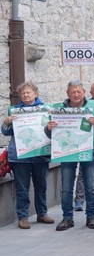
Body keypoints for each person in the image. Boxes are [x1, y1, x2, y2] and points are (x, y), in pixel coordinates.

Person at [45, 80, 94, 231]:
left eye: (79, 91)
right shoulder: (59, 110)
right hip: (67, 153)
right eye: (72, 92)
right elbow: (49, 133)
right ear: (67, 94)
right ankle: (67, 218)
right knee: (66, 187)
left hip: (88, 151)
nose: (76, 94)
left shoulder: (93, 107)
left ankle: (91, 216)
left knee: (90, 187)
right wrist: (48, 128)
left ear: (84, 92)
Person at [2, 82, 55, 229]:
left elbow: (53, 130)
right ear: (20, 96)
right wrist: (6, 123)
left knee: (41, 186)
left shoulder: (46, 110)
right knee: (22, 188)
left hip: (40, 155)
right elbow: (7, 132)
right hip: (20, 157)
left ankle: (42, 213)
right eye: (23, 93)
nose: (26, 95)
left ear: (35, 94)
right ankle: (23, 217)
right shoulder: (14, 112)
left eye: (29, 92)